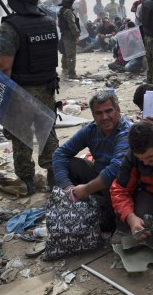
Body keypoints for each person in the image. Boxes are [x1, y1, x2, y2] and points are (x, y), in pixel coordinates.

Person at [0, 0, 60, 194]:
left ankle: (27, 181)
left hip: (20, 90)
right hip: (47, 87)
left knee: (21, 134)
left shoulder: (10, 26)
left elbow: (5, 66)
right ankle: (54, 175)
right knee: (47, 130)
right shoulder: (49, 21)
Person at [52, 91, 131, 231]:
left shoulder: (126, 132)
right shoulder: (91, 130)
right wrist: (67, 187)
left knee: (107, 226)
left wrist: (86, 190)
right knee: (66, 165)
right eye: (99, 113)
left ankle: (98, 207)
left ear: (118, 110)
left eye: (109, 111)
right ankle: (78, 203)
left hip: (121, 185)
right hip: (98, 177)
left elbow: (114, 170)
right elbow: (60, 153)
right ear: (93, 115)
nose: (105, 117)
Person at [58, 0, 80, 79]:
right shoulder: (68, 12)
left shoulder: (61, 10)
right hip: (69, 35)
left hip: (63, 34)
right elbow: (72, 24)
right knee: (71, 55)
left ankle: (65, 68)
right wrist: (76, 34)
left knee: (65, 52)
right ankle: (72, 73)